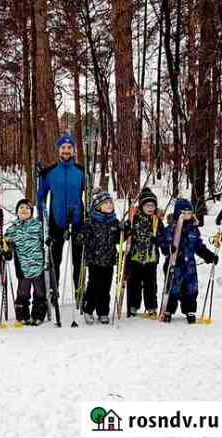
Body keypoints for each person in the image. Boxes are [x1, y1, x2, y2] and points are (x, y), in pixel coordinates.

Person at [159, 198, 219, 323]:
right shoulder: (170, 229)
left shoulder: (193, 230)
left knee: (191, 289)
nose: (187, 215)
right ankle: (168, 310)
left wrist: (209, 256)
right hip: (174, 265)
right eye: (184, 213)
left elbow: (198, 246)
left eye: (189, 213)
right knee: (172, 289)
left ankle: (190, 310)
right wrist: (170, 248)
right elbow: (164, 245)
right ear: (177, 214)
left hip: (189, 266)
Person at [38, 133, 85, 294]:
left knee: (78, 260)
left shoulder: (81, 171)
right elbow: (41, 197)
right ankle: (53, 289)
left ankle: (80, 289)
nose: (66, 150)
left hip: (78, 221)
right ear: (58, 150)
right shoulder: (49, 173)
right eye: (63, 147)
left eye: (69, 147)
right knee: (54, 259)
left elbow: (90, 193)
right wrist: (40, 216)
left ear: (73, 150)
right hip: (56, 222)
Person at [77, 191, 120, 324]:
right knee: (94, 286)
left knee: (105, 287)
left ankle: (103, 311)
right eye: (105, 203)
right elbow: (83, 236)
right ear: (97, 206)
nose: (109, 205)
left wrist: (125, 230)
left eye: (110, 203)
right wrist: (80, 236)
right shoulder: (91, 222)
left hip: (109, 260)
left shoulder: (114, 222)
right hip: (94, 260)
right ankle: (89, 309)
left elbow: (118, 239)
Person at [2, 199, 47, 326]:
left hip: (37, 266)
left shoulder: (38, 226)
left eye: (27, 208)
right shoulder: (13, 229)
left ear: (31, 212)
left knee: (40, 293)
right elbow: (5, 243)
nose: (24, 210)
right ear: (17, 212)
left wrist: (49, 241)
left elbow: (45, 240)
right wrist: (5, 250)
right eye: (21, 208)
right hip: (22, 267)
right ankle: (22, 315)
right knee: (23, 293)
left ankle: (38, 315)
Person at [126, 187, 164, 319]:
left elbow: (163, 236)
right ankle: (133, 305)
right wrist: (126, 230)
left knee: (150, 284)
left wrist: (157, 239)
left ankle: (151, 306)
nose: (150, 207)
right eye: (147, 205)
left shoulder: (156, 220)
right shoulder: (133, 218)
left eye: (153, 205)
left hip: (150, 258)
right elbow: (125, 233)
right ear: (141, 205)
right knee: (134, 283)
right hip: (135, 257)